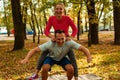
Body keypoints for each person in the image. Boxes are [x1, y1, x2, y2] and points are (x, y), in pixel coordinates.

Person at [29, 2, 79, 80]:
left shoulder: (67, 18)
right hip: (56, 39)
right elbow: (46, 31)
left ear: (63, 10)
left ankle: (76, 77)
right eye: (57, 9)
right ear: (54, 10)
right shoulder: (52, 18)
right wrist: (52, 36)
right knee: (44, 53)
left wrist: (71, 37)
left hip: (65, 41)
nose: (58, 10)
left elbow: (75, 29)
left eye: (60, 9)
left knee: (72, 58)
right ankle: (35, 73)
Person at [20, 30, 92, 80]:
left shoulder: (69, 42)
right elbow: (34, 50)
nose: (60, 41)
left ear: (65, 38)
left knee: (71, 69)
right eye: (58, 39)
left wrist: (88, 56)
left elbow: (83, 48)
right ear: (54, 38)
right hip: (51, 58)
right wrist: (26, 59)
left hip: (63, 58)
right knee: (45, 68)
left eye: (62, 39)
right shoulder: (50, 44)